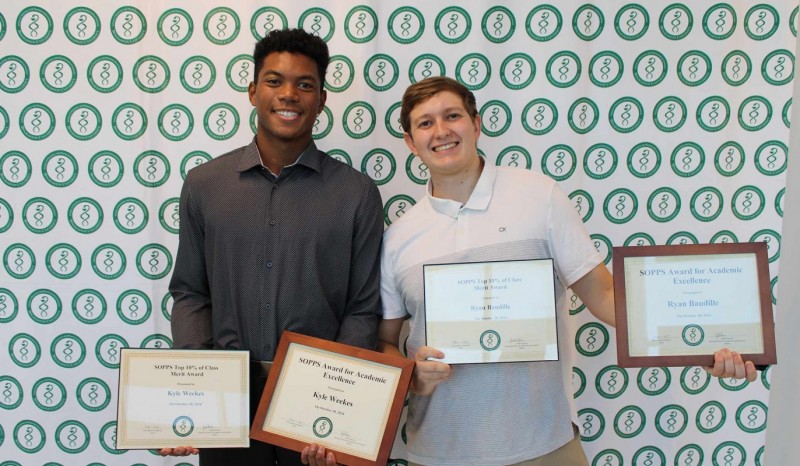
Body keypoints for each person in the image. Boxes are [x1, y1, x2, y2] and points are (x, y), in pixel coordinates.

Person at [377, 76, 757, 466]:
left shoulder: (539, 196)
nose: (441, 131)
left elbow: (605, 296)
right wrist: (413, 375)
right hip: (439, 452)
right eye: (425, 123)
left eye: (452, 116)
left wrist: (700, 344)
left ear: (475, 124)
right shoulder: (398, 237)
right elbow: (385, 340)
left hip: (545, 445)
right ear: (410, 142)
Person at [162, 28, 384, 466]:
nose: (289, 94)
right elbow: (190, 292)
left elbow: (362, 309)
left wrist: (336, 402)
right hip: (227, 401)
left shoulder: (357, 194)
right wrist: (194, 392)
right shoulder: (205, 185)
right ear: (252, 91)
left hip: (316, 408)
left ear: (322, 99)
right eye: (274, 81)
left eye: (305, 84)